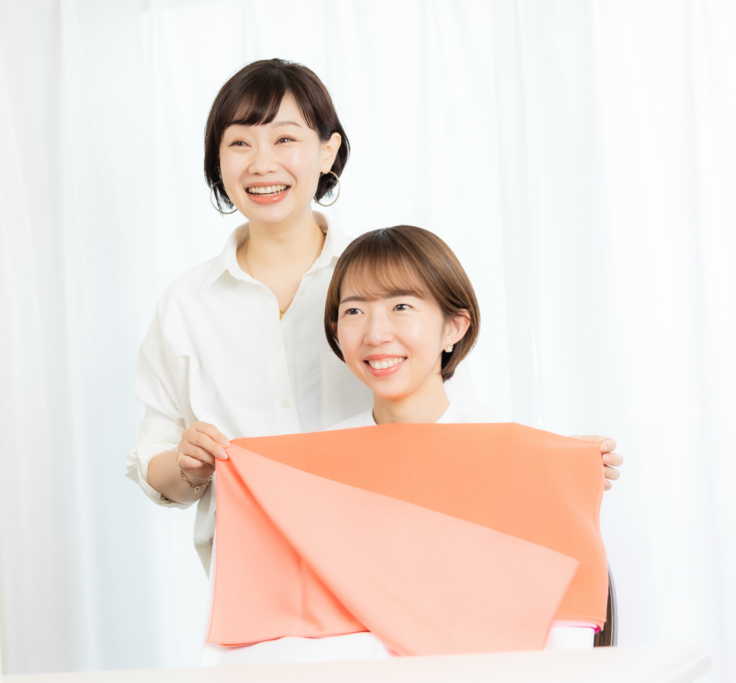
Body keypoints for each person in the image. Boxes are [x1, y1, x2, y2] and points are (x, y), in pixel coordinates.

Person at [125, 59, 622, 574]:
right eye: (239, 143)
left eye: (285, 139)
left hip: (387, 573)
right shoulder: (185, 304)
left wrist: (552, 464)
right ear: (217, 158)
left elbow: (456, 427)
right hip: (254, 580)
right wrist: (189, 466)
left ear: (328, 151)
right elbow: (154, 461)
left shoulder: (384, 278)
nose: (261, 163)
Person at [203, 225, 596, 665]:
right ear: (336, 331)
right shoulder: (305, 474)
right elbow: (261, 635)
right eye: (354, 311)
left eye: (401, 306)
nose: (375, 334)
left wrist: (566, 470)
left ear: (453, 327)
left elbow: (558, 638)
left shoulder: (517, 462)